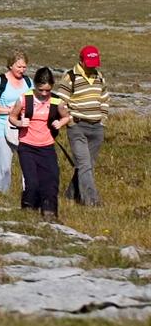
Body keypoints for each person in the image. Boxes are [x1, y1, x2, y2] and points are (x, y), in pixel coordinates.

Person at [8, 67, 71, 221]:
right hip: (27, 147)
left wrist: (60, 122)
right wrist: (20, 122)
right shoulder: (24, 98)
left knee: (51, 180)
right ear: (35, 85)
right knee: (32, 182)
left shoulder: (57, 101)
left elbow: (67, 116)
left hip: (47, 147)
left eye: (48, 90)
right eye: (41, 90)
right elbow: (12, 117)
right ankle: (28, 209)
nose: (44, 93)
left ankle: (49, 211)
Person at [55, 46, 110, 207]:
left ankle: (71, 194)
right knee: (85, 164)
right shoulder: (70, 77)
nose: (93, 66)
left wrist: (103, 119)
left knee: (87, 165)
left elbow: (105, 98)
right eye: (89, 62)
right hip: (77, 126)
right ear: (81, 60)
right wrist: (70, 121)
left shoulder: (99, 76)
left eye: (95, 62)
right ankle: (92, 201)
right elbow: (61, 103)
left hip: (97, 127)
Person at [0, 51, 30, 194]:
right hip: (1, 127)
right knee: (2, 166)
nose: (22, 70)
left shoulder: (29, 82)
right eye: (19, 67)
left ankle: (27, 194)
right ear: (10, 65)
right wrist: (10, 110)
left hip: (22, 127)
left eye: (24, 67)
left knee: (27, 165)